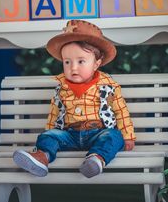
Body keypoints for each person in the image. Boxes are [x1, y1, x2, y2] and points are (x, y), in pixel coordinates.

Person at [13, 20, 136, 178]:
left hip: (98, 132)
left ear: (96, 63)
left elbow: (121, 111)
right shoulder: (61, 88)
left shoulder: (108, 86)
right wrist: (50, 130)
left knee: (113, 136)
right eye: (67, 62)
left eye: (81, 61)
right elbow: (54, 113)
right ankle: (42, 157)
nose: (73, 67)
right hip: (69, 135)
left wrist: (128, 135)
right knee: (48, 136)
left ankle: (96, 159)